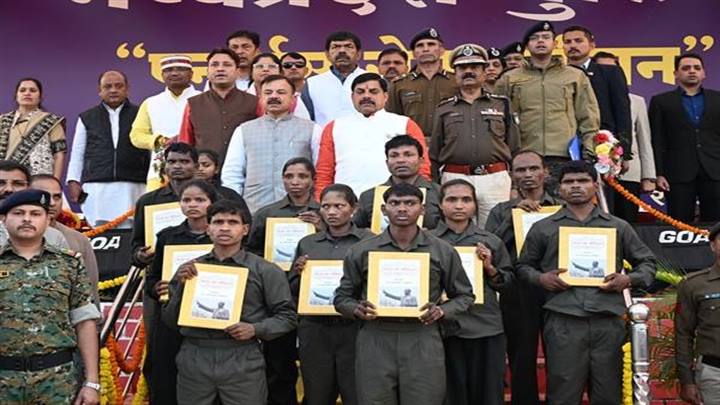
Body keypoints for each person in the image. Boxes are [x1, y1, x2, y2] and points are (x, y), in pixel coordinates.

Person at [517, 161, 656, 404]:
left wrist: (627, 279)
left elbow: (648, 264)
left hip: (607, 320)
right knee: (563, 394)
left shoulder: (617, 226)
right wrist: (541, 278)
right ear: (559, 188)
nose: (575, 186)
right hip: (563, 319)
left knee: (608, 394)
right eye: (569, 182)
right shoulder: (543, 228)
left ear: (595, 185)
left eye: (582, 181)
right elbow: (522, 267)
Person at [334, 183, 474, 404]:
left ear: (422, 209)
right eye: (395, 203)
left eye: (410, 203)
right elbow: (342, 298)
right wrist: (356, 309)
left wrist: (441, 311)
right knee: (374, 400)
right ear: (384, 209)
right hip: (375, 336)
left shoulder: (442, 250)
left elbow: (465, 296)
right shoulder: (362, 250)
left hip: (423, 335)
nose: (402, 208)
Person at [162, 199, 297, 405]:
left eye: (233, 222)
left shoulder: (265, 270)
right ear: (208, 228)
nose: (225, 228)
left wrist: (255, 329)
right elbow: (169, 320)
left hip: (242, 354)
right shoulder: (190, 269)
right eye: (218, 222)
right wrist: (180, 286)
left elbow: (288, 317)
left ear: (245, 229)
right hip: (195, 353)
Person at [0, 189, 101, 405]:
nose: (27, 219)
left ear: (47, 220)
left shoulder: (70, 263)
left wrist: (92, 382)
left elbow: (84, 321)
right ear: (3, 219)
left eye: (35, 214)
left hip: (56, 381)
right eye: (18, 213)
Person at [485, 150, 562, 405]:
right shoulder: (500, 211)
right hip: (517, 290)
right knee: (521, 358)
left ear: (545, 172)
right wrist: (513, 217)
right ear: (511, 175)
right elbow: (489, 246)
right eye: (520, 170)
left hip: (556, 288)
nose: (527, 174)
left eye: (533, 168)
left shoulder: (561, 207)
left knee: (561, 358)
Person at [245, 157, 322, 405]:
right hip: (277, 296)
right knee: (279, 363)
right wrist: (269, 267)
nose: (295, 181)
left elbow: (339, 248)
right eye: (289, 176)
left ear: (312, 180)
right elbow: (251, 251)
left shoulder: (325, 211)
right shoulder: (268, 213)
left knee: (316, 365)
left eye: (302, 176)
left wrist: (321, 227)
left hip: (314, 297)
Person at [288, 184, 374, 405]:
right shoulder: (308, 243)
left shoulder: (369, 241)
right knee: (317, 394)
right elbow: (293, 290)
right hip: (315, 328)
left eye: (339, 206)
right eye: (326, 206)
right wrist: (297, 272)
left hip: (354, 327)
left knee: (356, 393)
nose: (331, 212)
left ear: (354, 208)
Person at [432, 179, 514, 405]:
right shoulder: (428, 241)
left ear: (475, 205)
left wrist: (490, 268)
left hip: (485, 326)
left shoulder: (490, 241)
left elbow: (507, 283)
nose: (459, 205)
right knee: (450, 395)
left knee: (488, 393)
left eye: (466, 200)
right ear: (440, 205)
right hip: (443, 327)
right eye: (452, 199)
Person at [495, 21, 600, 185]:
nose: (540, 41)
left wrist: (589, 153)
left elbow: (588, 117)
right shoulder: (510, 77)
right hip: (524, 156)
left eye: (546, 37)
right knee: (527, 201)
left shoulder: (575, 76)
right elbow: (497, 119)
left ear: (555, 43)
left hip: (564, 156)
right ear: (527, 45)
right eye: (534, 38)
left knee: (562, 200)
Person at [143, 179, 217, 405]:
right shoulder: (167, 236)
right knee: (165, 374)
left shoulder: (220, 235)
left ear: (212, 203)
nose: (192, 205)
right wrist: (156, 288)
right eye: (186, 200)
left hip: (207, 316)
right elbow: (153, 277)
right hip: (171, 316)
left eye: (200, 200)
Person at [431, 44, 520, 227]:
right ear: (455, 73)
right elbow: (435, 152)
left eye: (474, 67)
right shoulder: (444, 108)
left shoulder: (501, 104)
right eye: (462, 68)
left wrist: (516, 186)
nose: (468, 72)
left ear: (484, 71)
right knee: (457, 230)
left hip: (495, 179)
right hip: (455, 178)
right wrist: (435, 185)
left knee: (496, 231)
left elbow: (514, 147)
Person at [315, 72, 430, 198]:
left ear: (385, 96)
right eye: (360, 92)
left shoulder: (405, 124)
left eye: (373, 92)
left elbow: (422, 167)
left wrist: (421, 198)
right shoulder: (335, 127)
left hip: (395, 201)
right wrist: (321, 200)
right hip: (345, 202)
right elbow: (324, 172)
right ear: (352, 97)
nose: (366, 96)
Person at [223, 75, 321, 213]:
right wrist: (235, 206)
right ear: (260, 97)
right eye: (268, 93)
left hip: (300, 211)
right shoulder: (243, 130)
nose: (274, 96)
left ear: (293, 98)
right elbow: (232, 174)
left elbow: (319, 171)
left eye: (281, 92)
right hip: (254, 209)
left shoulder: (312, 129)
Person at [67, 70, 149, 227]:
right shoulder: (87, 117)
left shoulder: (141, 114)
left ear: (127, 89)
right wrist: (73, 180)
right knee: (98, 231)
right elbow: (78, 152)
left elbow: (150, 148)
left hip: (133, 185)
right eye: (108, 86)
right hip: (97, 187)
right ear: (100, 90)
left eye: (119, 86)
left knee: (132, 229)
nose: (113, 90)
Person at [649, 53, 720, 222]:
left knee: (716, 223)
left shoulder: (717, 99)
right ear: (676, 73)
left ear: (704, 73)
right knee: (679, 222)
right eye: (686, 68)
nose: (692, 71)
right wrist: (658, 173)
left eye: (697, 68)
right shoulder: (661, 101)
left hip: (715, 169)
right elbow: (657, 140)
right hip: (677, 171)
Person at [593, 51, 656, 222]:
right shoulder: (587, 99)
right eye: (601, 69)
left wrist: (648, 176)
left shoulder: (636, 101)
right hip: (597, 172)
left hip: (629, 173)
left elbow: (644, 140)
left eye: (611, 69)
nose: (607, 73)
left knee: (628, 222)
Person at [130, 55, 201, 190]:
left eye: (180, 69)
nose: (174, 73)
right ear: (162, 75)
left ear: (191, 74)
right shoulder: (150, 102)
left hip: (197, 171)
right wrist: (159, 141)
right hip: (159, 173)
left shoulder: (203, 98)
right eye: (168, 70)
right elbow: (136, 136)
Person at [30, 174, 100, 306]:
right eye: (45, 196)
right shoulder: (9, 234)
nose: (52, 203)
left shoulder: (79, 240)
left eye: (57, 197)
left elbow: (90, 292)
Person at [178, 48, 258, 162]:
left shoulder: (254, 102)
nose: (220, 69)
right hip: (203, 170)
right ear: (207, 72)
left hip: (245, 168)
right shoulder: (193, 104)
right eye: (214, 65)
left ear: (237, 71)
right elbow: (185, 144)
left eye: (227, 65)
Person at [562, 26, 632, 150]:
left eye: (578, 41)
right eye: (567, 42)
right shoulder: (556, 76)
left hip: (602, 144)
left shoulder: (610, 73)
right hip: (564, 144)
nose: (572, 45)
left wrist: (623, 149)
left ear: (592, 45)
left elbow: (622, 113)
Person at [675, 221, 720, 405]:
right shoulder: (694, 284)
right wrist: (686, 381)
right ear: (712, 245)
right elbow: (683, 334)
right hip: (714, 373)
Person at [355, 135, 441, 231]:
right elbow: (354, 231)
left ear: (421, 161)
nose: (401, 160)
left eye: (408, 155)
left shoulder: (439, 194)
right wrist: (366, 235)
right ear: (387, 162)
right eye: (394, 156)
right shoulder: (369, 196)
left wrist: (431, 236)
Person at [386, 28, 457, 144]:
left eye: (431, 44)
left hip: (449, 145)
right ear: (414, 53)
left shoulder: (456, 81)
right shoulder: (399, 84)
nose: (425, 49)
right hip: (413, 146)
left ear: (442, 50)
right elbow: (392, 120)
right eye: (420, 46)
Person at [0, 78, 66, 177]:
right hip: (6, 179)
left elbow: (59, 155)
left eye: (32, 90)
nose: (27, 93)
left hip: (39, 179)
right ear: (16, 96)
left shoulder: (51, 121)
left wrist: (55, 182)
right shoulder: (3, 120)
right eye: (22, 90)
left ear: (40, 96)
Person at [301, 31, 367, 126]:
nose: (342, 51)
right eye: (335, 47)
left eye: (348, 46)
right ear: (327, 54)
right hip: (324, 135)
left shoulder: (375, 80)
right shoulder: (312, 83)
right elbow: (306, 121)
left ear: (358, 54)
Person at [0, 160, 69, 248]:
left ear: (29, 188)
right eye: (1, 183)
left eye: (18, 184)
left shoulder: (53, 237)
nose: (9, 189)